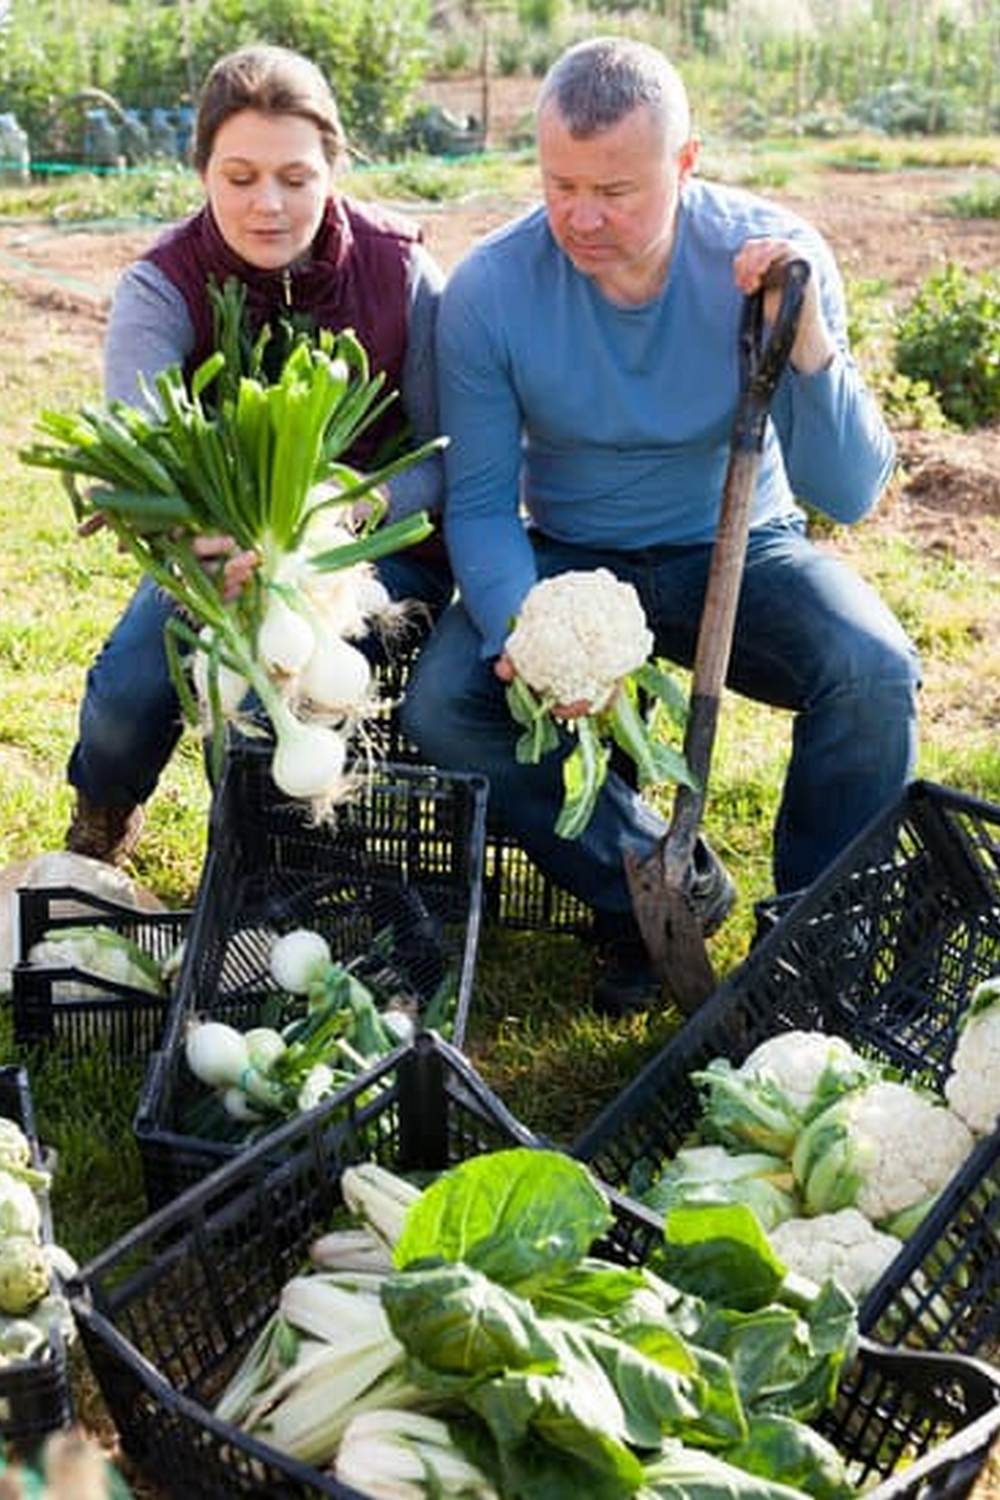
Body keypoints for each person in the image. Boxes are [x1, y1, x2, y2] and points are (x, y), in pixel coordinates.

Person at [401, 35, 920, 1014]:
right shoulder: (492, 292)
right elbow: (478, 504)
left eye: (616, 190)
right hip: (574, 556)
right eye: (560, 184)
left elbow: (845, 494)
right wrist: (525, 631)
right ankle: (649, 890)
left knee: (872, 669)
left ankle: (812, 956)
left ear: (683, 165)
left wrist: (805, 342)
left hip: (744, 547)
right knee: (444, 706)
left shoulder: (769, 259)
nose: (582, 217)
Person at [66, 44, 452, 865]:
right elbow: (137, 450)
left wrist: (337, 515)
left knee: (294, 681)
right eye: (240, 178)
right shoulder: (162, 287)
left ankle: (263, 858)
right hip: (212, 550)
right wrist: (204, 538)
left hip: (370, 552)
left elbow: (444, 453)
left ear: (334, 168)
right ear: (201, 168)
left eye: (296, 177)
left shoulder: (401, 269)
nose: (268, 204)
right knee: (132, 688)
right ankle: (103, 805)